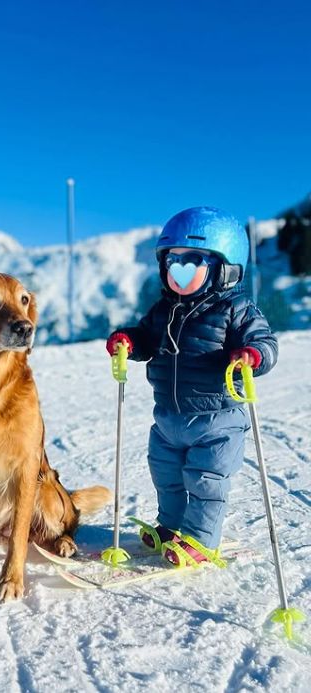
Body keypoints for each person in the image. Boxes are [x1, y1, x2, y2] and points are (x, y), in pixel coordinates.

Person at [106, 207, 278, 567]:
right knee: (165, 474)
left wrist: (252, 355)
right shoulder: (163, 310)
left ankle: (200, 540)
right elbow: (146, 340)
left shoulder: (237, 309)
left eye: (192, 261)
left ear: (224, 268)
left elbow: (265, 342)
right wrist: (128, 342)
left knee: (205, 481)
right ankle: (170, 527)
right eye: (172, 261)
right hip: (168, 416)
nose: (177, 270)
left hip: (217, 420)